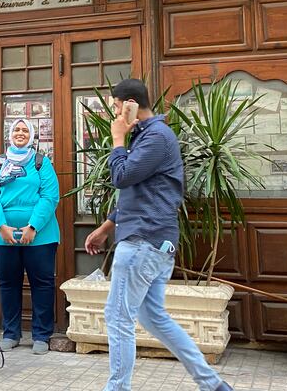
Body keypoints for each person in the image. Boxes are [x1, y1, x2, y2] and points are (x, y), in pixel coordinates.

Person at [84, 79, 233, 391]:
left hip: (144, 242)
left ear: (130, 105)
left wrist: (117, 139)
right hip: (150, 240)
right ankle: (213, 385)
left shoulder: (156, 137)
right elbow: (142, 192)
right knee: (154, 318)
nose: (114, 113)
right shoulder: (147, 136)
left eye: (115, 105)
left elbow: (122, 176)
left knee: (118, 317)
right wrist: (105, 228)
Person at [0, 117, 59, 355]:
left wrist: (33, 227)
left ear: (31, 135)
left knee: (42, 283)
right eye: (16, 129)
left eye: (24, 130)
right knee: (8, 284)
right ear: (10, 133)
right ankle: (11, 333)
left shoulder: (41, 163)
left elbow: (50, 196)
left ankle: (41, 335)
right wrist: (1, 226)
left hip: (40, 236)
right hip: (3, 235)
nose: (20, 133)